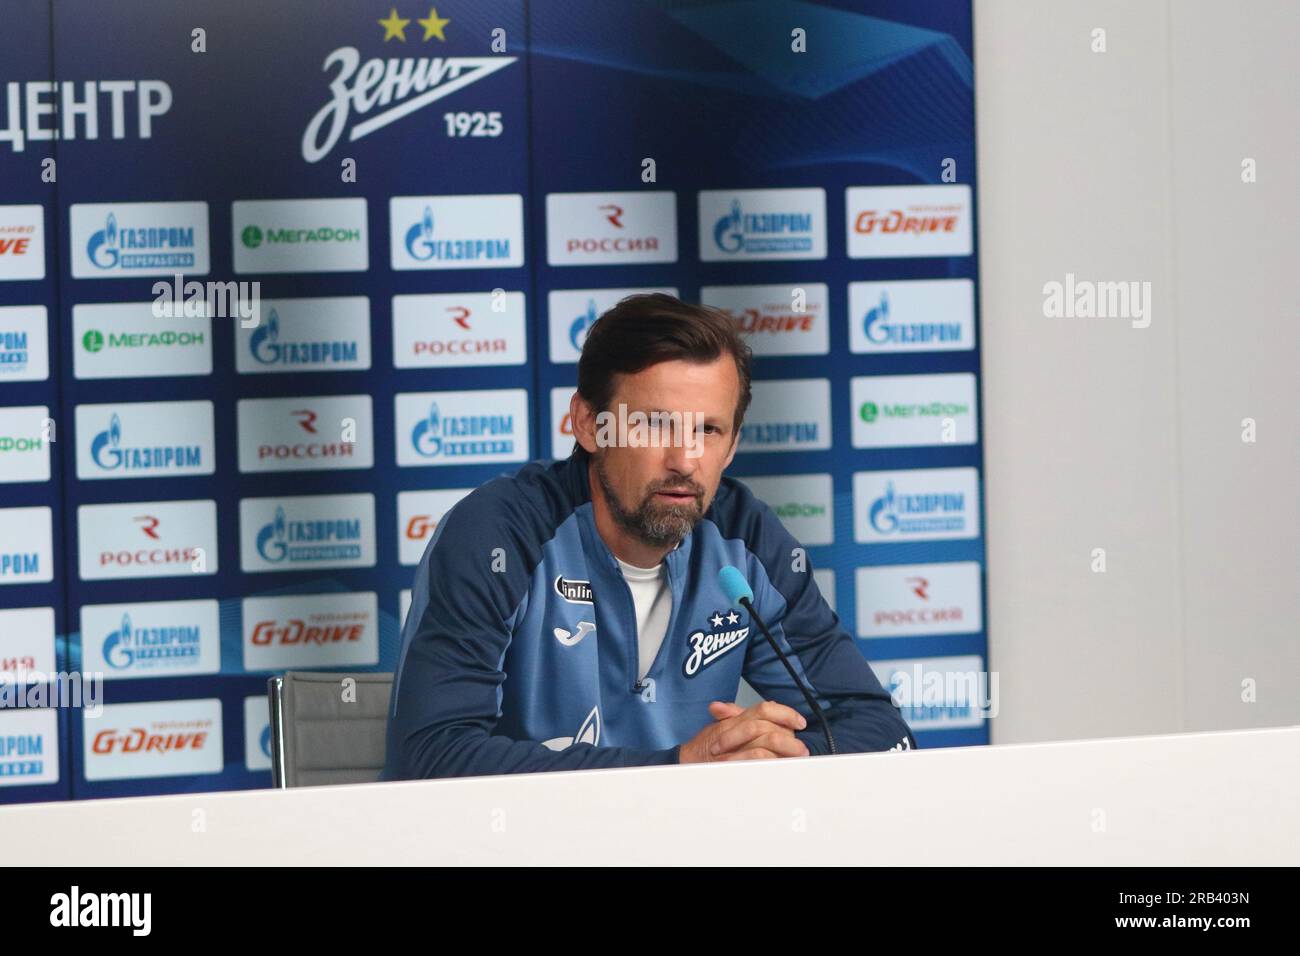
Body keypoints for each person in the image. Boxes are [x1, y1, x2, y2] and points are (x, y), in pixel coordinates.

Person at [382, 293, 916, 779]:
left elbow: (883, 731)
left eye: (708, 431)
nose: (685, 460)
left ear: (731, 446)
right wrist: (678, 768)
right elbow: (431, 757)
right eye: (655, 425)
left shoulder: (747, 541)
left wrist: (760, 759)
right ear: (589, 424)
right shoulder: (500, 535)